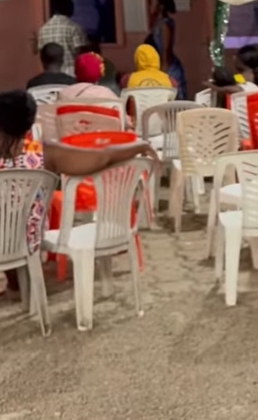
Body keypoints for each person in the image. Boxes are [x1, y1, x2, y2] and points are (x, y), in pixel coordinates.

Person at [0, 90, 156, 298]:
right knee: (19, 220)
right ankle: (21, 285)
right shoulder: (45, 154)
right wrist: (140, 145)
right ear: (29, 124)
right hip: (26, 241)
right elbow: (101, 157)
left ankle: (16, 285)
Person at [145, 0, 188, 99]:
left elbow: (166, 52)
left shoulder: (164, 25)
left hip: (169, 68)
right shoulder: (157, 24)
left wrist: (163, 75)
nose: (149, 6)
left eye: (152, 3)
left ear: (160, 5)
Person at [37, 0, 88, 78]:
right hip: (71, 76)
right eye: (71, 4)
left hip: (50, 77)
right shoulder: (73, 28)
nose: (73, 7)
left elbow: (42, 55)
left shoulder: (43, 29)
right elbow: (81, 55)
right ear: (66, 6)